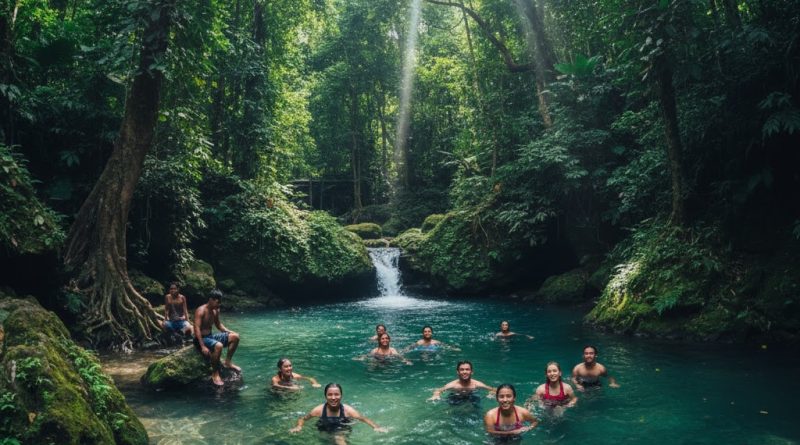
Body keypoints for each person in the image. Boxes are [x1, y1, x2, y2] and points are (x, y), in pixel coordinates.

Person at [289, 383, 387, 445]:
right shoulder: (318, 410)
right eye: (330, 394)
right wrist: (299, 426)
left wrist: (376, 427)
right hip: (324, 428)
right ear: (325, 396)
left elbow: (363, 419)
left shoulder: (348, 410)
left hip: (342, 428)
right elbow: (303, 418)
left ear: (341, 396)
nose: (333, 397)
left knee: (338, 438)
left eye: (336, 394)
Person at [194, 289, 241, 386]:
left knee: (235, 337)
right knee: (218, 346)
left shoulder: (216, 310)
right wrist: (202, 346)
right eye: (217, 302)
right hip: (201, 339)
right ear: (211, 299)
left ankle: (227, 362)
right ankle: (215, 373)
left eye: (220, 302)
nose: (219, 304)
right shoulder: (201, 310)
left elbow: (219, 325)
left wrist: (230, 332)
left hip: (210, 337)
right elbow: (196, 329)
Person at [428, 360, 495, 401]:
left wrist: (491, 394)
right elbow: (438, 390)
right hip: (456, 396)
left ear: (471, 372)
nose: (464, 372)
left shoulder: (477, 384)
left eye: (467, 369)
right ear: (458, 372)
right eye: (462, 369)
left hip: (472, 395)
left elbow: (493, 389)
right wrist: (436, 395)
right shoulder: (452, 385)